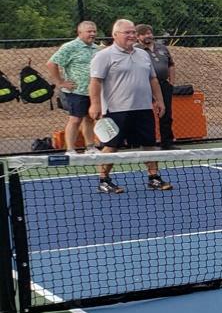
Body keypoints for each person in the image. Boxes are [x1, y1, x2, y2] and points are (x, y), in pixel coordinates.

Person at [87, 19, 170, 193]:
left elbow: (153, 79)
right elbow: (95, 82)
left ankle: (154, 178)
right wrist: (95, 105)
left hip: (143, 108)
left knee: (149, 144)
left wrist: (159, 101)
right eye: (127, 32)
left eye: (133, 32)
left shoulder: (142, 54)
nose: (132, 35)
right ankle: (104, 180)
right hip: (116, 110)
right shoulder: (104, 56)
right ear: (115, 35)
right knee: (112, 145)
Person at [46, 20, 100, 157]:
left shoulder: (96, 48)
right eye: (89, 31)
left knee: (89, 118)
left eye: (94, 31)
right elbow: (51, 63)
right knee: (75, 119)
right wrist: (60, 82)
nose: (92, 34)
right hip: (76, 91)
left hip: (92, 91)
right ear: (80, 32)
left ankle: (90, 147)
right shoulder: (70, 47)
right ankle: (70, 149)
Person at [134, 24, 176, 148]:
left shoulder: (162, 48)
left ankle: (167, 142)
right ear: (138, 37)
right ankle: (144, 142)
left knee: (166, 113)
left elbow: (171, 65)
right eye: (144, 34)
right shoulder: (136, 50)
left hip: (163, 85)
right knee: (144, 114)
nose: (148, 36)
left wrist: (171, 82)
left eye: (149, 33)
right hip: (144, 86)